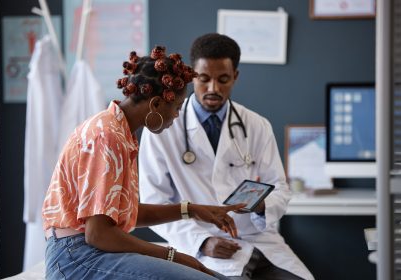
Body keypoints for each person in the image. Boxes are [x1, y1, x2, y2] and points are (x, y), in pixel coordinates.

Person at [41, 46, 246, 280]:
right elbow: (98, 234)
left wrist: (191, 210)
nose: (177, 116)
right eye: (177, 108)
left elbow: (123, 214)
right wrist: (173, 255)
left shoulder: (120, 133)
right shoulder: (106, 136)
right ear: (157, 104)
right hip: (75, 258)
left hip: (90, 251)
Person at [138, 34, 315, 280]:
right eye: (204, 79)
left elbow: (280, 188)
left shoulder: (256, 125)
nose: (213, 89)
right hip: (199, 245)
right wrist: (203, 241)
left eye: (223, 79)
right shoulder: (163, 128)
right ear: (191, 76)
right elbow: (154, 200)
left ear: (235, 77)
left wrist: (261, 205)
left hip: (258, 241)